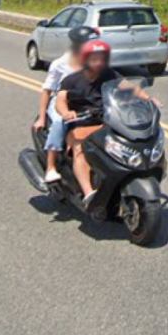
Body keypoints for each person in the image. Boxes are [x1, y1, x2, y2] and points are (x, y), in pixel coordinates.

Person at [56, 39, 119, 209]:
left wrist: (147, 99)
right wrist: (66, 112)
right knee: (79, 149)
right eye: (94, 58)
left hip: (106, 123)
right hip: (80, 125)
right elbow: (60, 99)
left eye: (102, 58)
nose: (99, 62)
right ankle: (88, 193)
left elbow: (128, 88)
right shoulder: (72, 80)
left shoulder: (110, 75)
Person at [33, 26, 98, 183]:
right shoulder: (60, 63)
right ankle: (51, 167)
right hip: (62, 100)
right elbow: (47, 91)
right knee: (60, 121)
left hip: (86, 99)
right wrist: (42, 118)